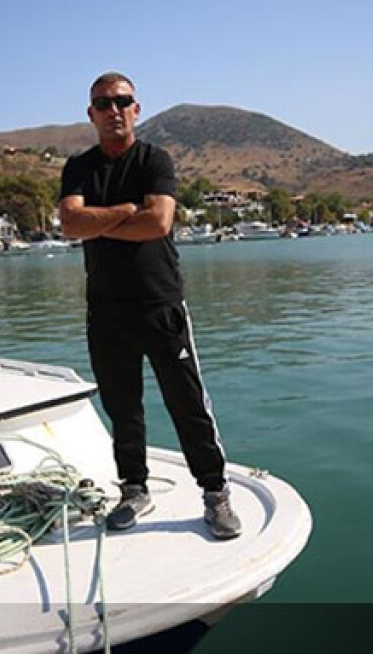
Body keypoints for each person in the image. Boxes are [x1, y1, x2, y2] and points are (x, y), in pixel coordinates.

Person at [58, 71, 241, 539]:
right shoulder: (79, 167)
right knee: (123, 408)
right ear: (91, 113)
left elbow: (158, 222)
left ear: (136, 109)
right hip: (106, 310)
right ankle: (133, 489)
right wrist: (125, 211)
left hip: (160, 304)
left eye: (122, 101)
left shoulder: (154, 160)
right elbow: (71, 224)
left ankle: (215, 492)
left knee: (188, 404)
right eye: (103, 103)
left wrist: (99, 220)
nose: (114, 110)